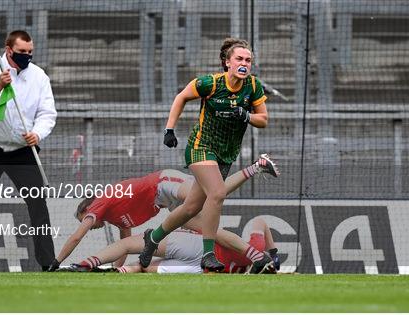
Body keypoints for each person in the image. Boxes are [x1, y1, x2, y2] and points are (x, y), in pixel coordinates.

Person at [139, 38, 269, 272]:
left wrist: (246, 115)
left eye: (248, 60)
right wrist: (169, 129)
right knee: (217, 193)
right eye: (239, 59)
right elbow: (181, 97)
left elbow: (264, 120)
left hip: (226, 154)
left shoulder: (253, 86)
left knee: (191, 208)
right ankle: (208, 253)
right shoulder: (210, 83)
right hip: (200, 147)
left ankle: (154, 237)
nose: (244, 63)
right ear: (227, 62)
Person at [47, 154, 279, 271]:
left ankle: (256, 166)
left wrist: (57, 261)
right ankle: (258, 257)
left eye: (85, 218)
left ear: (88, 208)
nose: (91, 224)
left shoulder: (100, 203)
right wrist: (117, 269)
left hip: (163, 183)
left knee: (213, 194)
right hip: (166, 201)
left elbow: (78, 235)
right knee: (212, 231)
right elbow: (125, 244)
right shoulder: (115, 216)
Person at [0, 30, 57, 271]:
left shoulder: (39, 77)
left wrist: (37, 133)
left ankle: (48, 262)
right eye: (21, 52)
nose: (26, 56)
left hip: (23, 151)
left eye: (30, 52)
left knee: (38, 205)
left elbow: (48, 114)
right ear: (9, 50)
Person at [63, 217, 279, 274]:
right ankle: (119, 270)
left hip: (198, 249)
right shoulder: (249, 265)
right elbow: (261, 222)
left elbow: (259, 221)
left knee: (128, 244)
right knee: (145, 268)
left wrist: (272, 253)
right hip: (202, 269)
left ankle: (87, 264)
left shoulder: (254, 246)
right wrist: (273, 258)